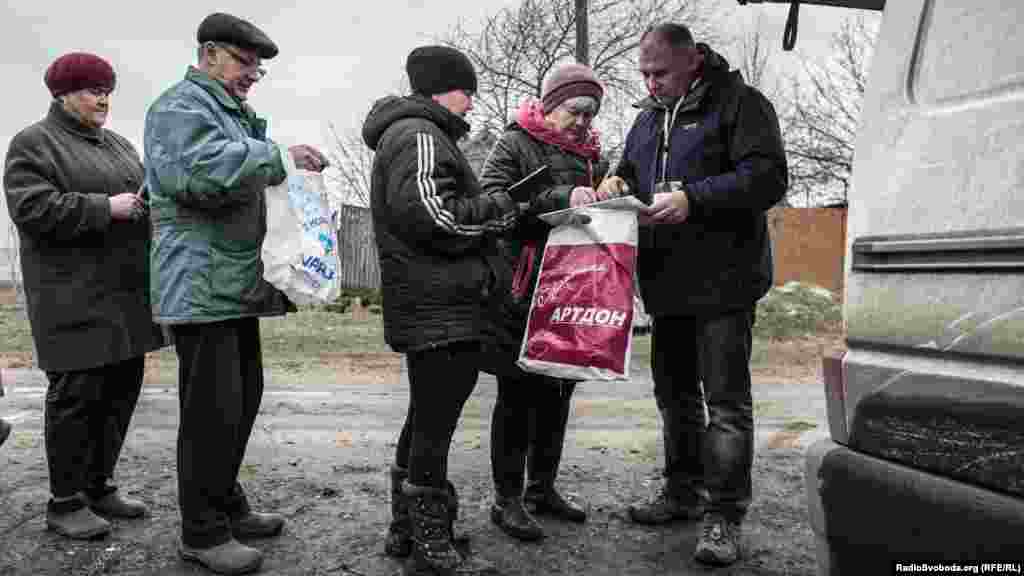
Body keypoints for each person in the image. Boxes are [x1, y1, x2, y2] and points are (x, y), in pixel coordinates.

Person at [144, 13, 328, 575]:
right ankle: (201, 531)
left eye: (259, 68)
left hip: (229, 284)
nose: (253, 75)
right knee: (211, 413)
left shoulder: (227, 113)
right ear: (211, 54)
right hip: (200, 285)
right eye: (246, 63)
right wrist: (277, 158)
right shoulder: (180, 107)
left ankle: (225, 504)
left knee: (240, 400)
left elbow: (241, 175)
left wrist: (289, 168)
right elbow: (196, 175)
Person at [612, 23, 788, 566]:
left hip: (724, 283)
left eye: (658, 72)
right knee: (676, 400)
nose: (650, 81)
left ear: (692, 60)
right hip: (665, 284)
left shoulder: (741, 104)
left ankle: (724, 516)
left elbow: (767, 178)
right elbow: (630, 175)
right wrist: (615, 182)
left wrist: (695, 198)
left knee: (727, 407)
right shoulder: (645, 119)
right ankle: (682, 494)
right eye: (643, 72)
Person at [362, 45, 524, 576]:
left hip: (433, 305)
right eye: (465, 90)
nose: (472, 102)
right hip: (443, 307)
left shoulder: (411, 133)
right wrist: (500, 208)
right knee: (435, 423)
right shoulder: (420, 135)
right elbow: (434, 216)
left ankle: (406, 530)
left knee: (424, 418)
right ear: (439, 89)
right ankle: (433, 542)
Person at [3, 52, 168, 540]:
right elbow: (31, 209)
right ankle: (65, 500)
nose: (103, 99)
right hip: (70, 299)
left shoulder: (117, 145)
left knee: (119, 395)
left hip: (124, 297)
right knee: (76, 400)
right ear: (61, 94)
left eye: (107, 90)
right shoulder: (34, 144)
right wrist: (104, 208)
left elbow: (137, 196)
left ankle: (99, 485)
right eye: (92, 90)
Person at [479, 63, 617, 542]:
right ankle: (506, 499)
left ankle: (542, 488)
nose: (583, 122)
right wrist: (560, 195)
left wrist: (606, 193)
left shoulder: (590, 154)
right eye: (576, 111)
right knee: (517, 395)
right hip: (522, 283)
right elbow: (491, 200)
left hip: (572, 286)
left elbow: (588, 210)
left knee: (559, 392)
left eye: (591, 114)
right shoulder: (514, 141)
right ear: (552, 103)